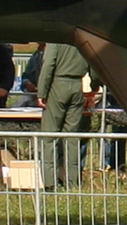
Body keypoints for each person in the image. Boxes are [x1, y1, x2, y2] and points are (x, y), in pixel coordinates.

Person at [36, 40, 93, 187]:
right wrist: (94, 86)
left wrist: (42, 92)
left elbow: (48, 65)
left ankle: (49, 182)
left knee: (49, 137)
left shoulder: (55, 40)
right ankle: (73, 182)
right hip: (77, 85)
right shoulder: (81, 39)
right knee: (72, 137)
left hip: (58, 84)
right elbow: (93, 63)